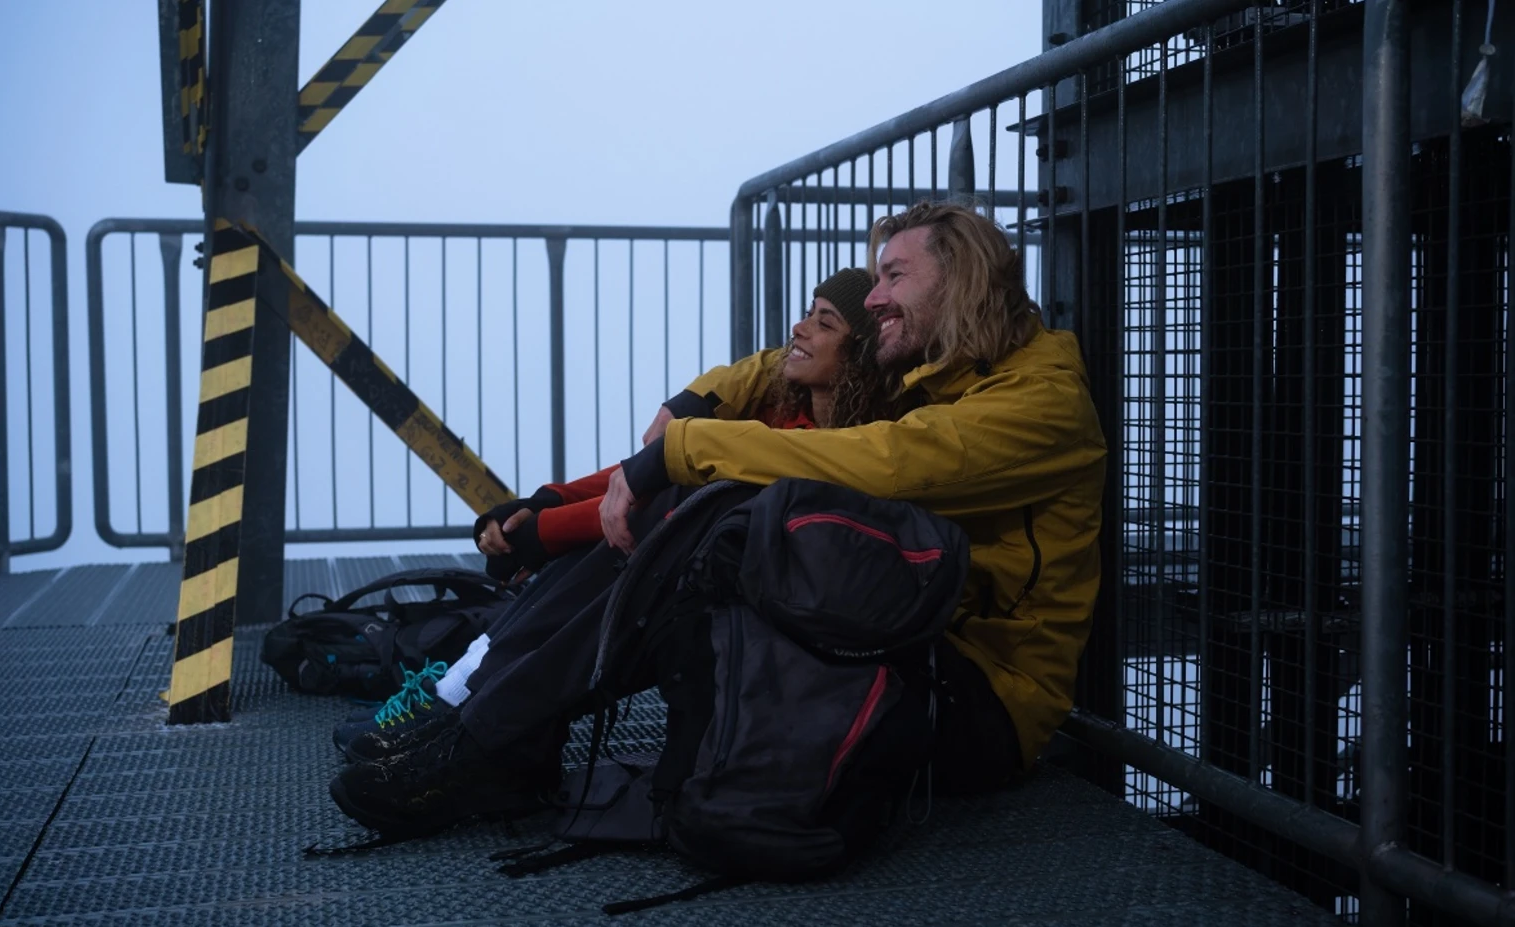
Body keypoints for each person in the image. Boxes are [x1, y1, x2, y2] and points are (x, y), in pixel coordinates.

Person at [329, 201, 1106, 835]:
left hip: (976, 702)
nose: (874, 298)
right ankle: (492, 730)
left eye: (893, 275)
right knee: (695, 512)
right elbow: (778, 365)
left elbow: (890, 462)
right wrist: (699, 401)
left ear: (961, 280)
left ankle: (489, 733)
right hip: (904, 636)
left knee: (709, 510)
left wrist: (682, 448)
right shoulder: (941, 364)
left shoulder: (1039, 405)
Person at [333, 268, 894, 765]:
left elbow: (670, 489)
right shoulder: (778, 413)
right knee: (605, 546)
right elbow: (643, 474)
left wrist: (547, 532)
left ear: (860, 356)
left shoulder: (835, 444)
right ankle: (467, 695)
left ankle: (476, 709)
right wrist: (547, 504)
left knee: (628, 547)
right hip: (704, 573)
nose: (799, 329)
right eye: (806, 312)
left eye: (825, 323)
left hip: (764, 599)